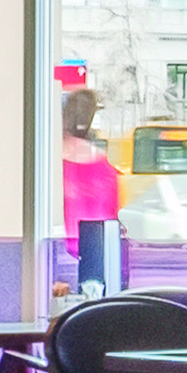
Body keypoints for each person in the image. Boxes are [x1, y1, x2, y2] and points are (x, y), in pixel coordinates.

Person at [58, 72, 125, 292]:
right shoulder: (104, 166)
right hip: (96, 252)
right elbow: (113, 212)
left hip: (61, 251)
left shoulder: (55, 162)